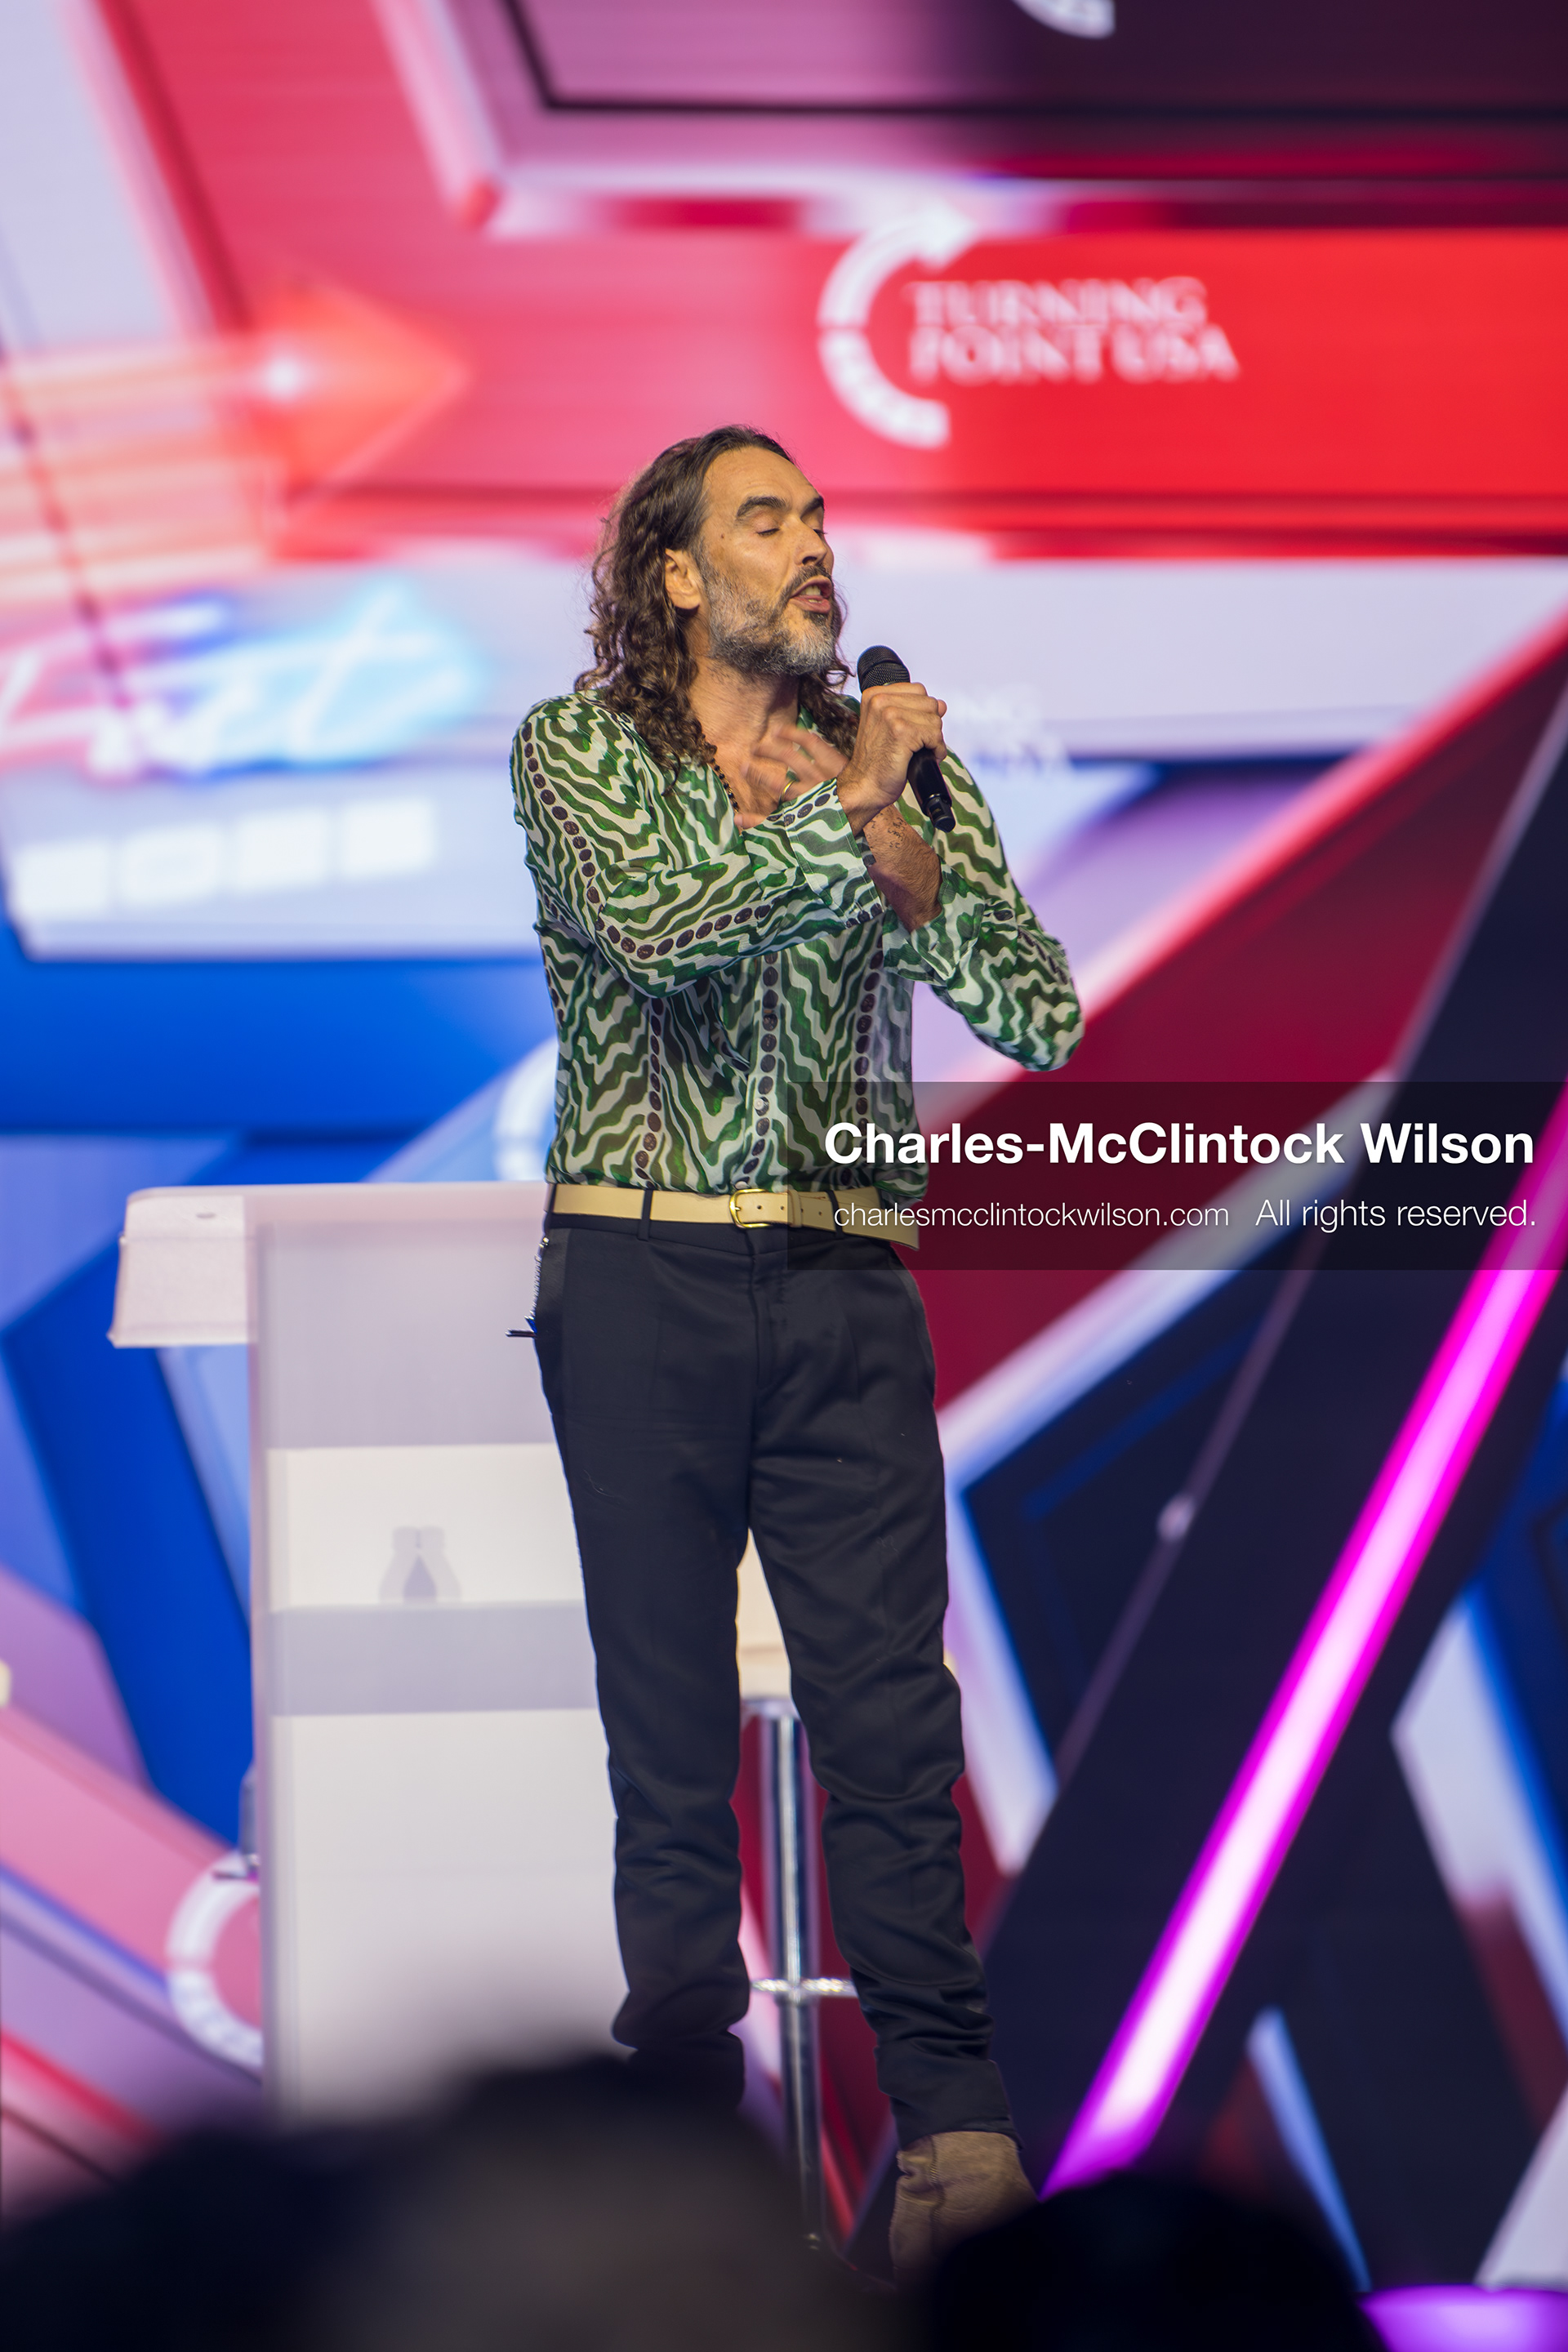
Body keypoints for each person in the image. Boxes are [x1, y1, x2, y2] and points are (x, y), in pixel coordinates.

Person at [511, 425, 1080, 2282]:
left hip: (845, 1281)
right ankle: (688, 2187)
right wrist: (853, 827)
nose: (813, 544)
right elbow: (661, 935)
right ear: (681, 575)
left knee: (895, 1730)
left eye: (822, 516)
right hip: (644, 1273)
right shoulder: (582, 751)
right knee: (670, 1735)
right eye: (768, 520)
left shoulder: (888, 761)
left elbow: (1037, 1011)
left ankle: (961, 2151)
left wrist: (910, 834)